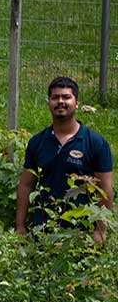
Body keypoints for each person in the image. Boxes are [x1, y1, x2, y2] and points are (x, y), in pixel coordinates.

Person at [16, 76, 113, 244]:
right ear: (49, 103)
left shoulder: (95, 143)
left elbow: (105, 190)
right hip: (43, 232)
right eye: (55, 98)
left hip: (82, 234)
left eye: (66, 97)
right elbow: (26, 185)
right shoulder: (37, 142)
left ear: (76, 103)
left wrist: (100, 231)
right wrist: (20, 226)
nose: (60, 102)